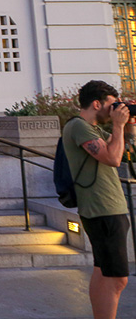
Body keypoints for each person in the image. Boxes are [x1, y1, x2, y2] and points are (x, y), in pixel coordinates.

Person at [62, 80, 130, 319]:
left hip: (106, 207)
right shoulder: (79, 127)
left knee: (103, 272)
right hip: (102, 209)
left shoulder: (91, 128)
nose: (114, 110)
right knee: (116, 278)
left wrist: (126, 123)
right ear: (96, 103)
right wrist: (118, 125)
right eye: (112, 105)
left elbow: (119, 149)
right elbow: (113, 158)